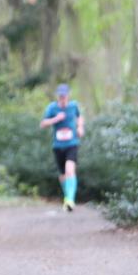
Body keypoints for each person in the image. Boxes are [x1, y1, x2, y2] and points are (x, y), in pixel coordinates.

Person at [40, 83, 84, 212]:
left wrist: (80, 127)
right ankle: (67, 198)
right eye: (60, 96)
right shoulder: (52, 108)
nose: (63, 98)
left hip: (72, 144)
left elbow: (79, 116)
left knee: (70, 169)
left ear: (68, 95)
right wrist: (56, 119)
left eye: (64, 96)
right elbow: (43, 123)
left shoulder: (73, 106)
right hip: (58, 146)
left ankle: (70, 199)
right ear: (58, 97)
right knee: (63, 175)